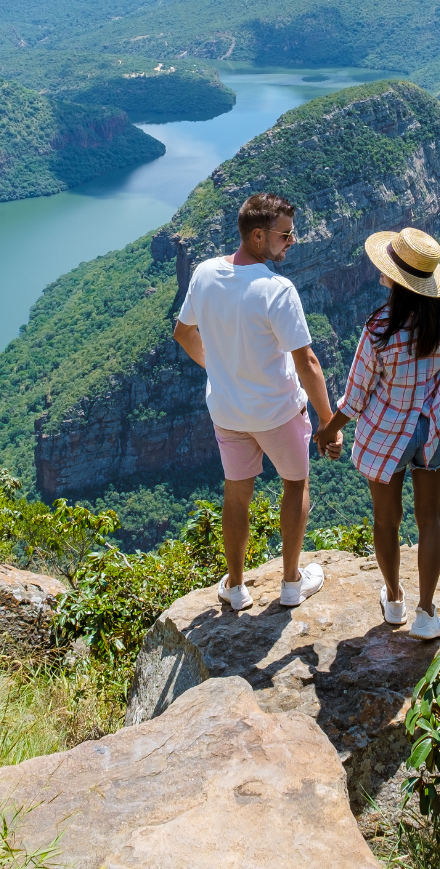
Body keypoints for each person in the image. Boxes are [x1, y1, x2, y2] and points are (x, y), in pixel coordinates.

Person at [173, 192, 334, 611]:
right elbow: (308, 362)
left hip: (227, 411)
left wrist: (219, 367)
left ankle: (237, 586)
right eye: (286, 235)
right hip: (278, 412)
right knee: (295, 484)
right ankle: (291, 583)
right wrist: (328, 421)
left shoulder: (206, 273)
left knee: (236, 494)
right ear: (259, 236)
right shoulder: (277, 289)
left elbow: (183, 332)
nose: (292, 241)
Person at [312, 227, 440, 640]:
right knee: (430, 519)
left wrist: (328, 431)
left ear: (394, 278)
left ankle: (395, 600)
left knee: (387, 520)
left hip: (387, 434)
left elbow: (356, 397)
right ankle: (427, 612)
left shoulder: (380, 328)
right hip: (435, 430)